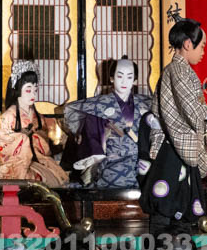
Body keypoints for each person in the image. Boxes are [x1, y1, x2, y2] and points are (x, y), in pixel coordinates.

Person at [140, 18, 207, 236]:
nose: (203, 51)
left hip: (181, 149)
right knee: (166, 212)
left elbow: (191, 111)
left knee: (179, 210)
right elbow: (189, 109)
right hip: (172, 150)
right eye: (202, 46)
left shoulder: (182, 71)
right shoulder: (177, 70)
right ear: (188, 45)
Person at [63, 57, 152, 187]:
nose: (124, 81)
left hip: (141, 160)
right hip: (111, 162)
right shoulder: (98, 106)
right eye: (119, 76)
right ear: (111, 78)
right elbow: (91, 138)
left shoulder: (145, 104)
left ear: (134, 79)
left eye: (129, 77)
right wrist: (97, 159)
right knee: (117, 178)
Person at [0, 61, 69, 186]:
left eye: (35, 90)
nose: (33, 94)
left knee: (54, 180)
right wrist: (22, 137)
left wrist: (36, 137)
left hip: (39, 160)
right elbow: (2, 144)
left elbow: (44, 143)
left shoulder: (38, 117)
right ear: (17, 89)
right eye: (28, 89)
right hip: (17, 163)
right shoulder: (8, 116)